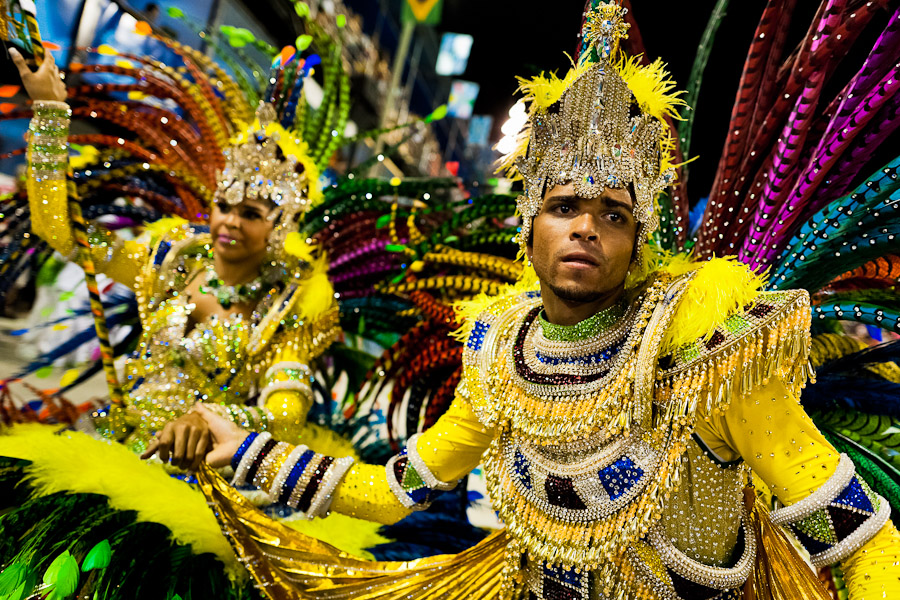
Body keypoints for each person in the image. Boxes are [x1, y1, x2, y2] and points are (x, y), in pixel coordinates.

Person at [185, 3, 900, 599]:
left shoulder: (706, 354)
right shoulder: (500, 352)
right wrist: (245, 449)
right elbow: (392, 488)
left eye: (613, 214)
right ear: (528, 226)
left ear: (638, 239)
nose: (587, 226)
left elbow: (860, 536)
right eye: (564, 206)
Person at [8, 45, 341, 464]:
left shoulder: (287, 307)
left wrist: (209, 420)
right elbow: (58, 230)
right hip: (116, 445)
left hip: (193, 472)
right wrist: (50, 110)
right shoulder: (172, 263)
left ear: (281, 227)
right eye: (225, 205)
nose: (231, 222)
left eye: (251, 214)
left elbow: (286, 418)